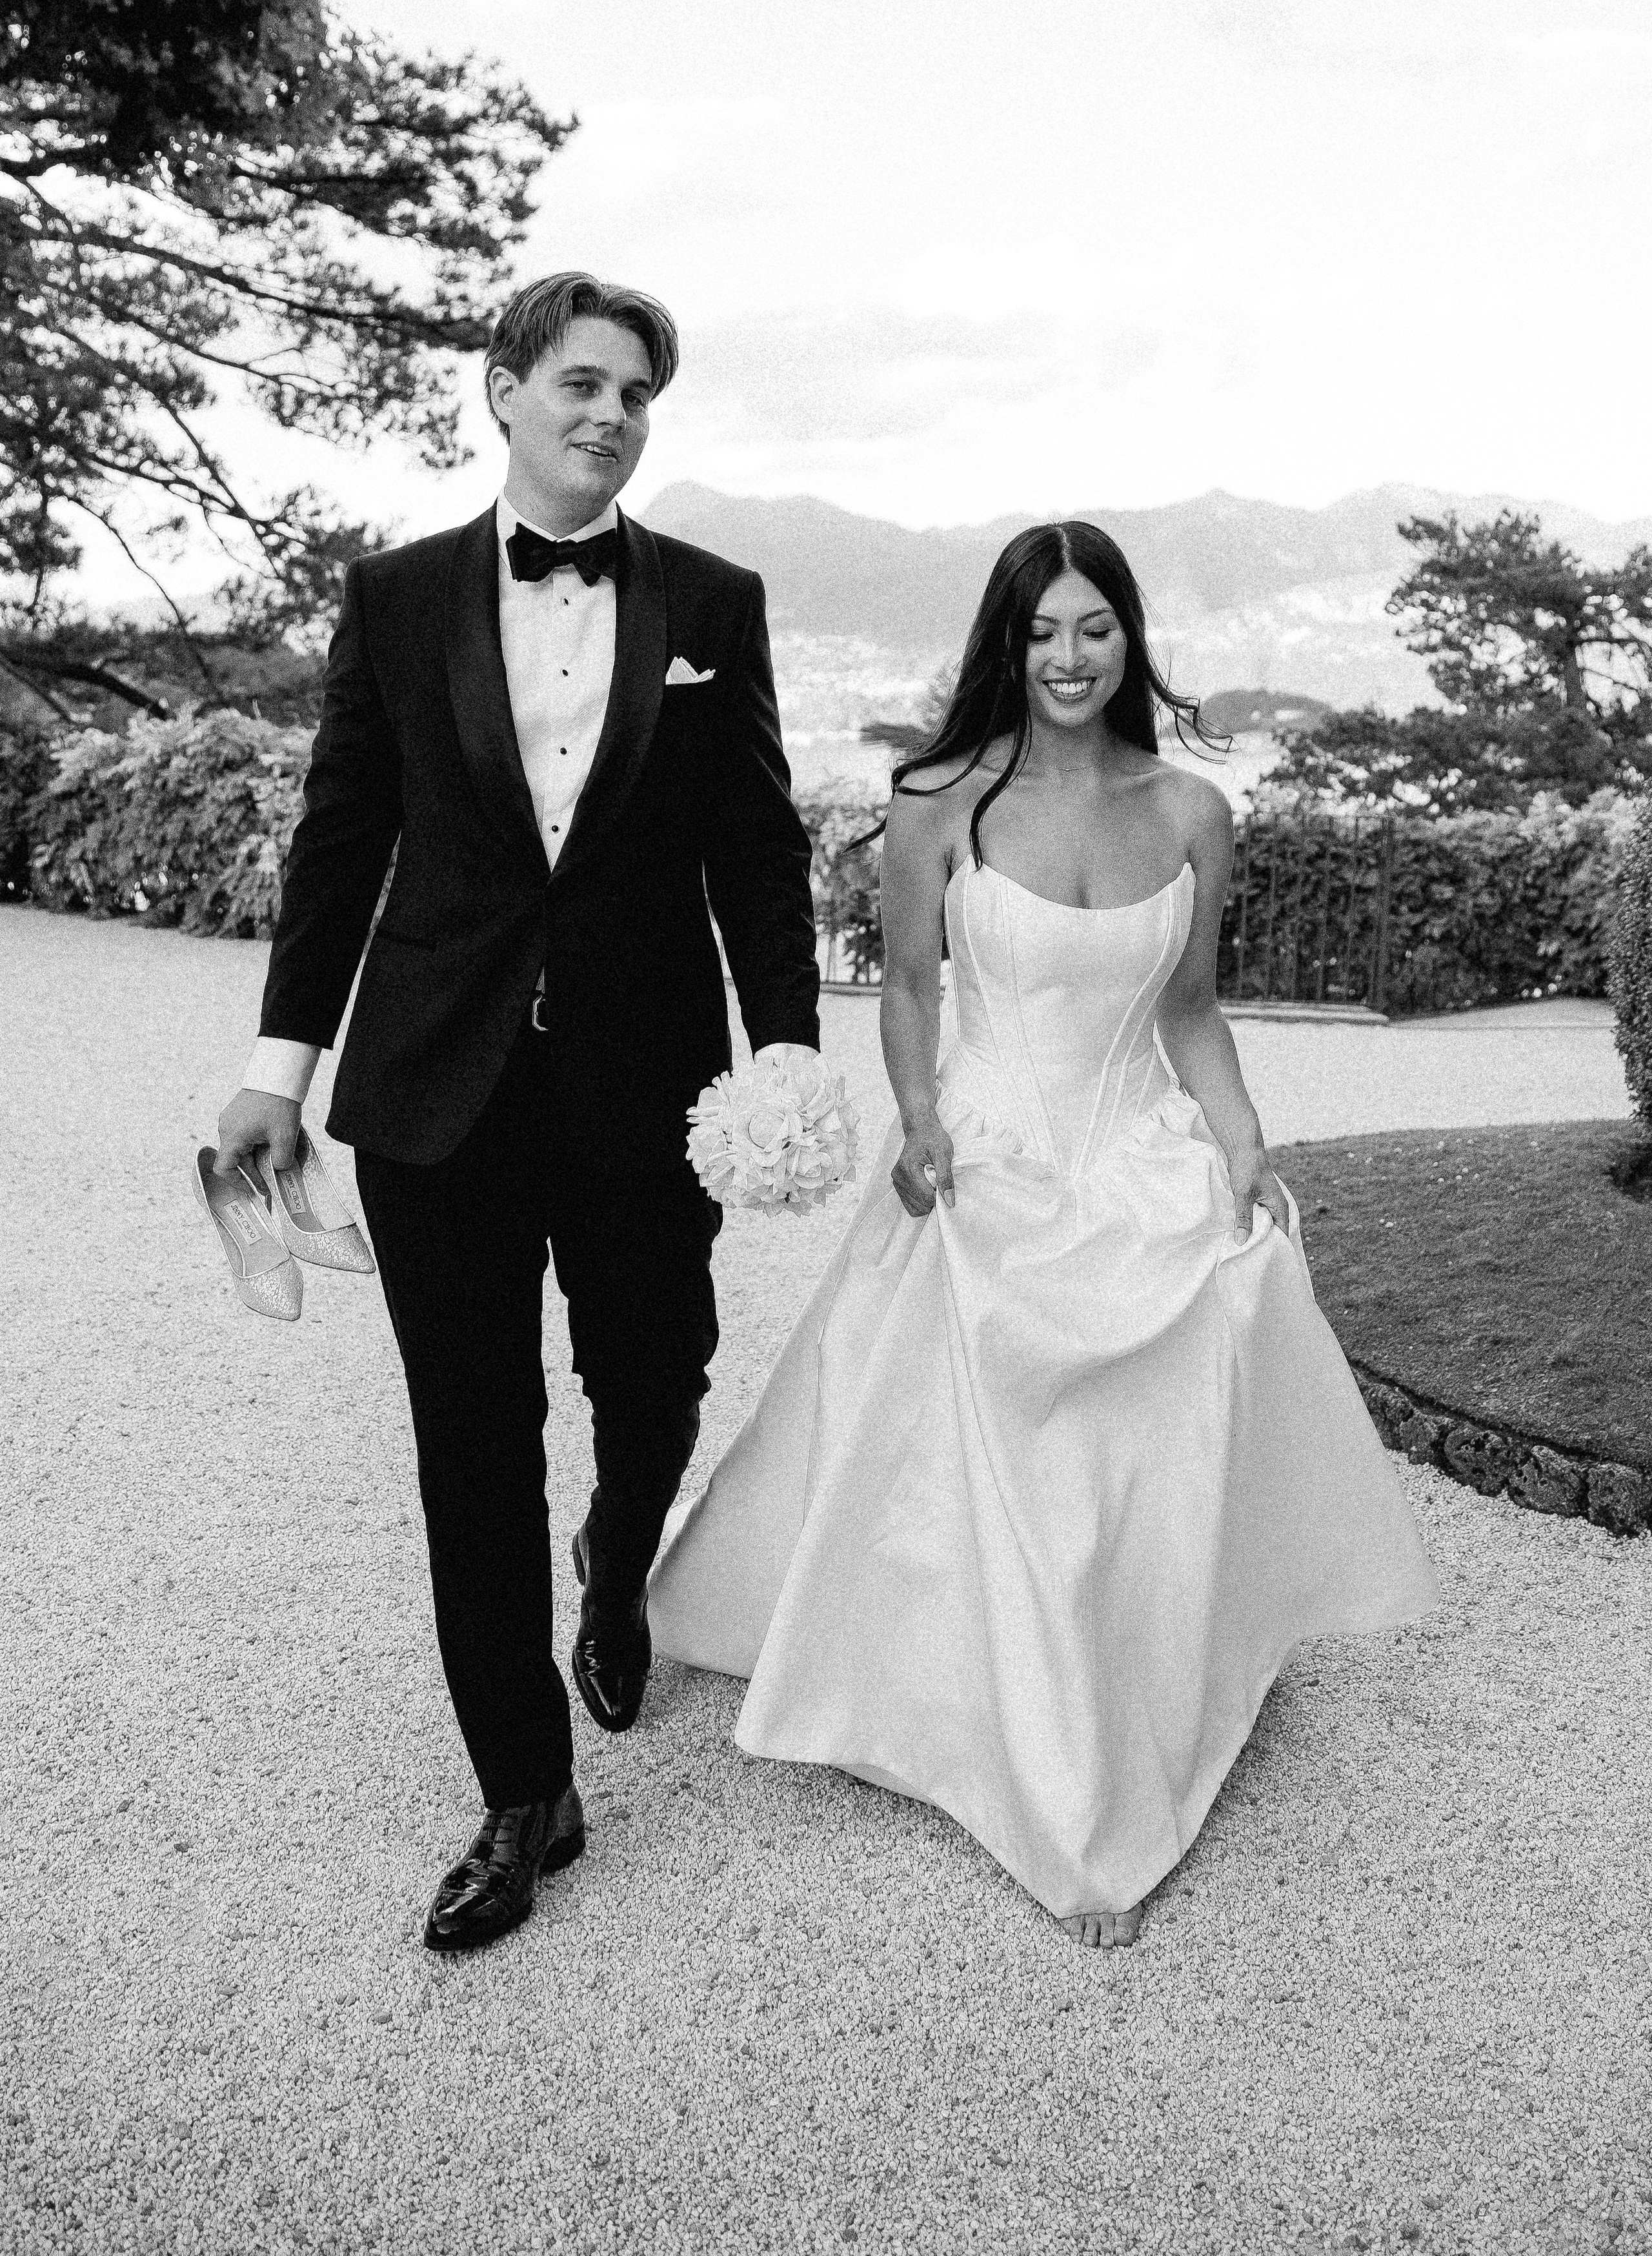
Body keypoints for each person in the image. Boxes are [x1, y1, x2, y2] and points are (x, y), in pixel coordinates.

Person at [649, 520, 1441, 1948]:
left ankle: (1131, 1717)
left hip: (1136, 1151)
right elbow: (903, 986)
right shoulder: (939, 799)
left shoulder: (1191, 811)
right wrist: (917, 1114)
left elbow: (1189, 1010)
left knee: (1160, 1426)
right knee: (1005, 1462)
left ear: (1127, 637)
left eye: (1092, 628)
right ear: (1002, 648)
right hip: (988, 1156)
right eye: (1040, 633)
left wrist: (1241, 1141)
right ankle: (1019, 1751)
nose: (1067, 658)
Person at [214, 272, 820, 1954]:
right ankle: (524, 1790)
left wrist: (782, 1047)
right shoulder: (398, 602)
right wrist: (281, 1071)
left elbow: (757, 855)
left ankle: (619, 1572)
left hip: (646, 1090)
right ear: (503, 390)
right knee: (470, 1447)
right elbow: (342, 842)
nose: (613, 413)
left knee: (655, 1378)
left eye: (638, 391)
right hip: (437, 1092)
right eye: (582, 381)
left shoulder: (714, 601)